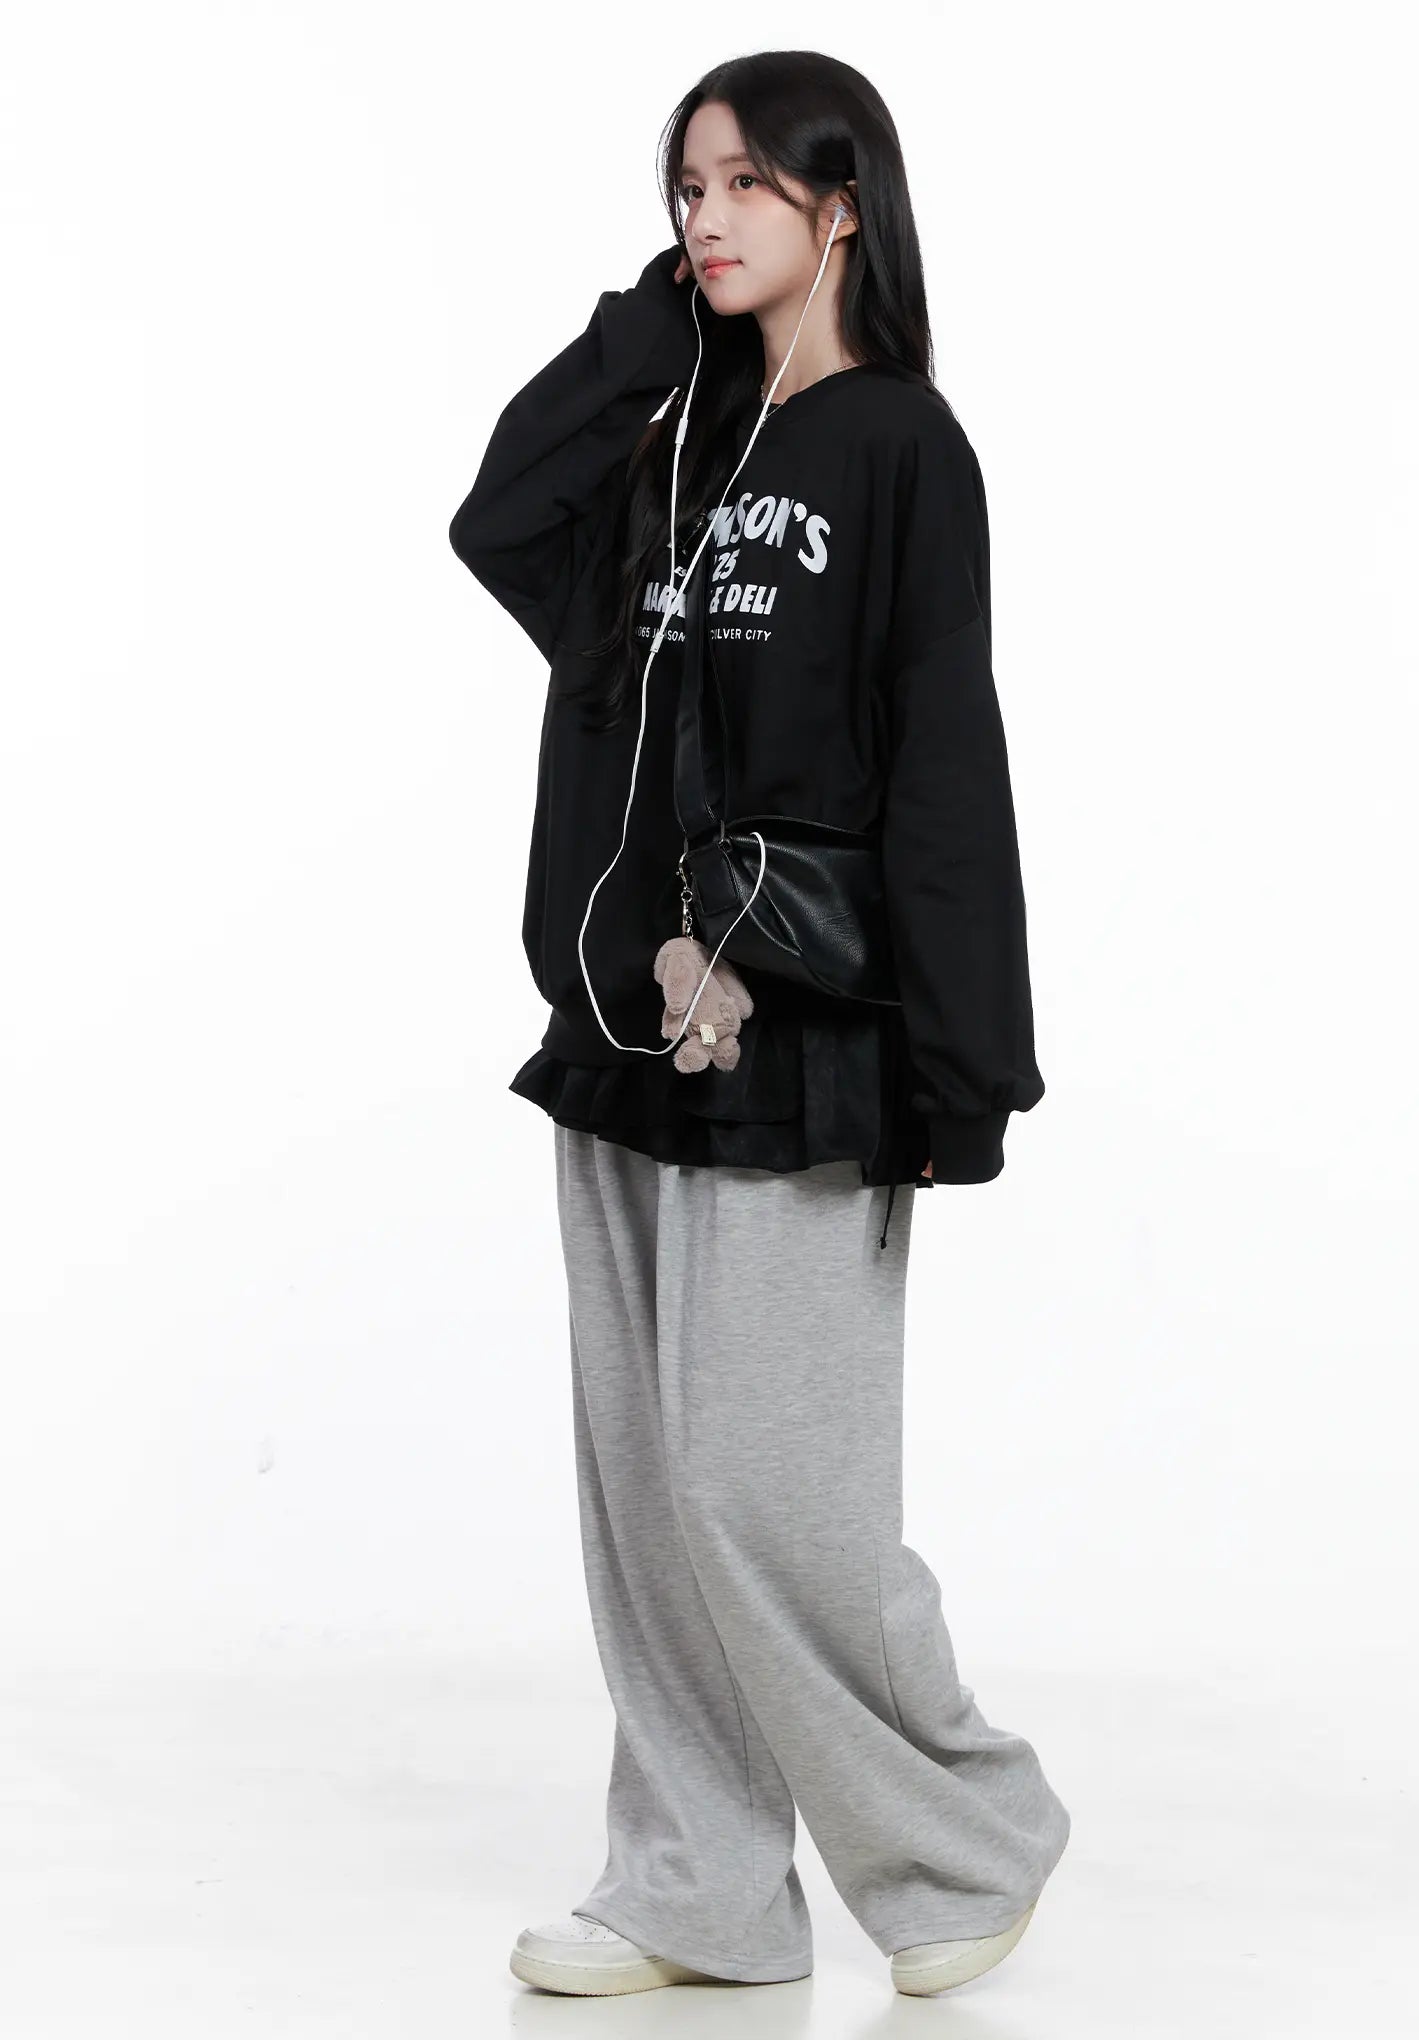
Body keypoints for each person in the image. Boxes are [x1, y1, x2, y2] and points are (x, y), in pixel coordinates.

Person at [449, 50, 1071, 2001]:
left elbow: (943, 746)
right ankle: (698, 1888)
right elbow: (498, 519)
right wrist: (647, 334)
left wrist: (964, 1061)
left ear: (843, 206)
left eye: (742, 187)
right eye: (684, 187)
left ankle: (965, 1837)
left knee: (765, 1488)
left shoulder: (899, 447)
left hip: (803, 1032)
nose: (703, 218)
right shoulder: (671, 444)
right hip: (622, 1025)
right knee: (651, 1497)